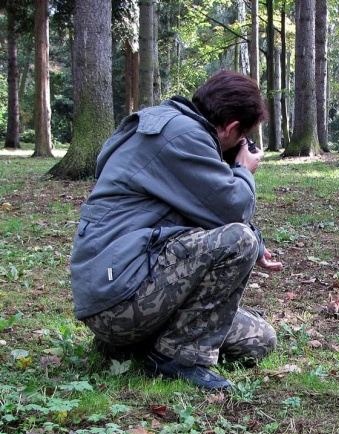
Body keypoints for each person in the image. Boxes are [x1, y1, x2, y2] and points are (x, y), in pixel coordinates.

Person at [70, 70, 282, 390]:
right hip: (121, 298)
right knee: (240, 241)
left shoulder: (161, 125)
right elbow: (234, 210)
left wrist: (258, 240)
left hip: (120, 294)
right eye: (242, 138)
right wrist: (242, 169)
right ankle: (179, 357)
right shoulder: (182, 135)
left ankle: (133, 345)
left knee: (260, 339)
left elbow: (203, 208)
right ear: (233, 127)